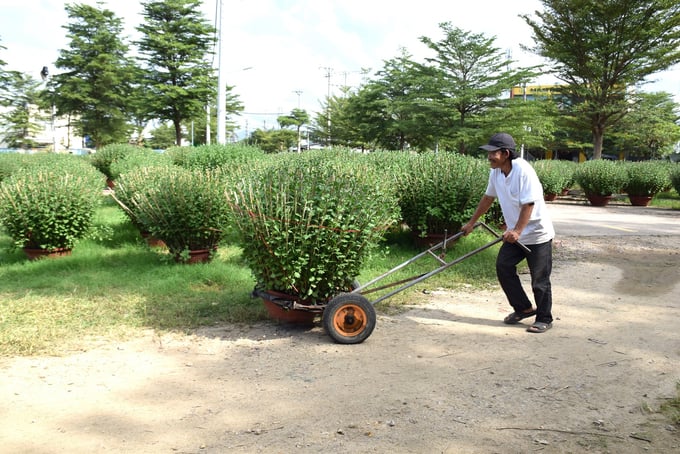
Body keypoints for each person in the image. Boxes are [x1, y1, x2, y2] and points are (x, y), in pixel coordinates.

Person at [461, 133, 555, 333]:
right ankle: (523, 308)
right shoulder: (496, 172)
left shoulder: (523, 171)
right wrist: (471, 223)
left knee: (539, 278)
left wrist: (518, 231)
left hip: (537, 234)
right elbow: (488, 198)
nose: (489, 157)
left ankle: (544, 318)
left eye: (492, 153)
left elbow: (529, 203)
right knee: (503, 267)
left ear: (505, 153)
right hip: (515, 233)